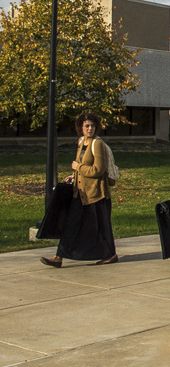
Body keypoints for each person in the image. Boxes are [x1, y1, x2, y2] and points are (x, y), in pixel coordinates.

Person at [40, 112, 118, 267]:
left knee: (102, 226)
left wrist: (78, 167)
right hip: (81, 192)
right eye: (86, 126)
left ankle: (110, 255)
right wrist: (73, 175)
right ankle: (58, 257)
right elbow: (83, 166)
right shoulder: (82, 142)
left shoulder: (97, 144)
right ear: (81, 127)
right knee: (72, 224)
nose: (90, 129)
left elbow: (98, 170)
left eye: (92, 126)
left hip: (96, 193)